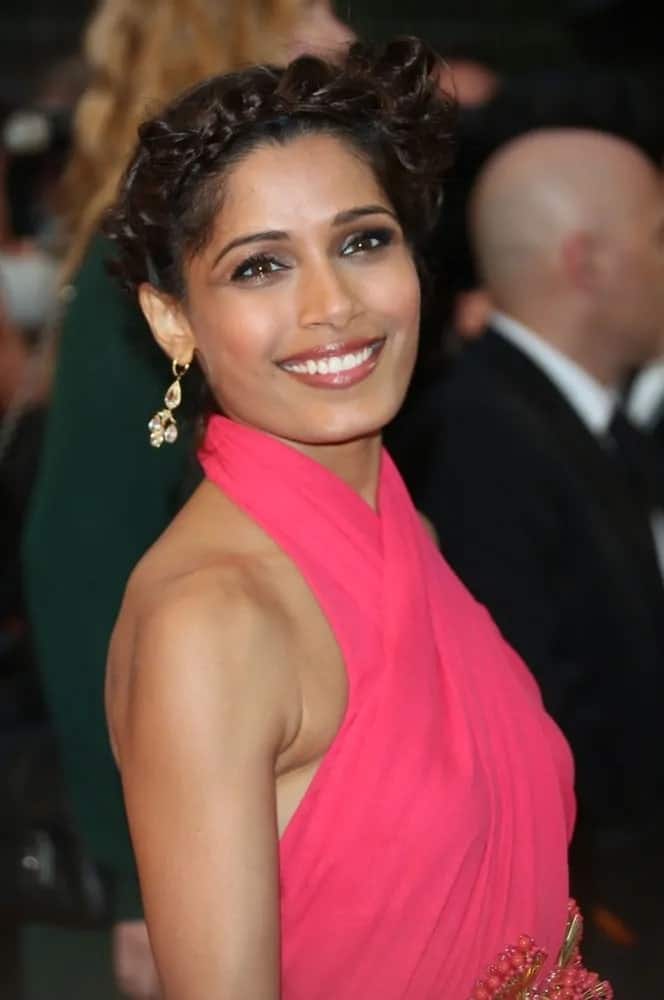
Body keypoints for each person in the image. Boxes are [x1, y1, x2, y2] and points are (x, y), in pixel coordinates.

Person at [103, 40, 611, 999]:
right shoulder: (209, 620)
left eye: (363, 241)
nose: (333, 305)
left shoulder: (405, 540)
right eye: (261, 268)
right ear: (173, 322)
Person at [21, 1, 353, 998]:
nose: (340, 30)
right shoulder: (151, 281)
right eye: (310, 9)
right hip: (220, 818)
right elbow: (81, 570)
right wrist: (138, 878)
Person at [406, 128, 664, 993]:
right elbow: (535, 722)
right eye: (660, 232)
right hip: (588, 923)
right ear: (585, 261)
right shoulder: (483, 441)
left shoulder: (584, 419)